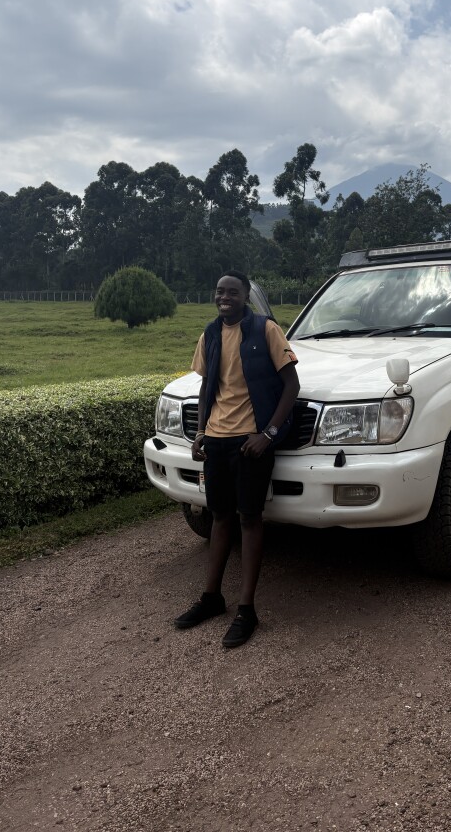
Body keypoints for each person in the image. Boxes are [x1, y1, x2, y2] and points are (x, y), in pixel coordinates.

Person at [174, 270, 299, 647]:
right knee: (219, 517)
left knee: (249, 519)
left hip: (250, 443)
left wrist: (268, 434)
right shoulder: (210, 334)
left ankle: (247, 610)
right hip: (216, 441)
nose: (224, 297)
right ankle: (212, 598)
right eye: (219, 291)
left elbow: (291, 385)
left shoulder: (266, 330)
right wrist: (200, 432)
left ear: (246, 296)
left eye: (232, 292)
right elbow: (206, 386)